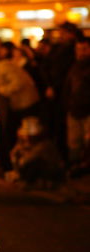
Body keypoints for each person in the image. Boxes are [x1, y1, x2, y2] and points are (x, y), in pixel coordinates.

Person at [64, 37, 90, 174]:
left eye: (84, 49)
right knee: (74, 142)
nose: (81, 52)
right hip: (74, 110)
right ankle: (76, 168)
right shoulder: (74, 65)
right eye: (79, 49)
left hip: (87, 112)